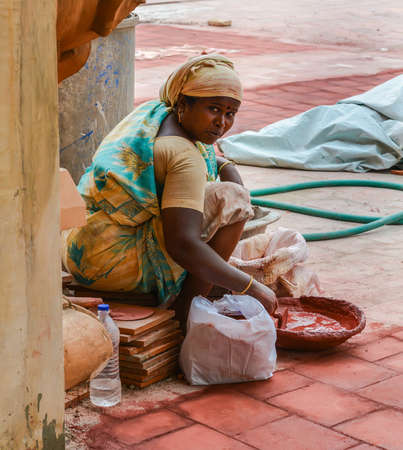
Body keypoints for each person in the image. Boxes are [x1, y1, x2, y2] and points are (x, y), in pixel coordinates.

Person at [62, 54, 277, 327]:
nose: (221, 122)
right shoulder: (184, 155)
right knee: (232, 201)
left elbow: (212, 159)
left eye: (230, 113)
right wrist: (250, 287)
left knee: (226, 197)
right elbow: (182, 245)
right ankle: (186, 308)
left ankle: (206, 280)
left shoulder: (155, 116)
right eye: (213, 109)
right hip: (111, 264)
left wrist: (229, 167)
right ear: (184, 104)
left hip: (79, 244)